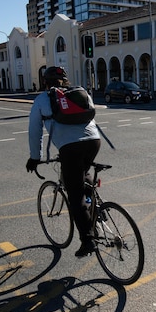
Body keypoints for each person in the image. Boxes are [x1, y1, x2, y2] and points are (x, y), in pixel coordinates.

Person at [26, 66, 102, 257]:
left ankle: (88, 240)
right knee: (82, 177)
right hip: (94, 141)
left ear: (45, 81)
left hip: (70, 148)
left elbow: (35, 132)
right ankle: (95, 214)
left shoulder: (43, 99)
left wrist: (35, 157)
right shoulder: (80, 92)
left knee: (74, 195)